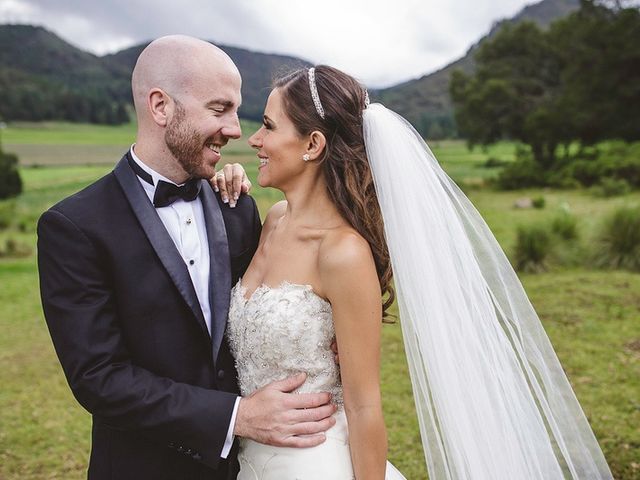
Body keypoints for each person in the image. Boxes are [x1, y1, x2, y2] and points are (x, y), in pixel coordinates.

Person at [226, 65, 614, 479]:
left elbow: (364, 404)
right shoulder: (275, 221)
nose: (253, 139)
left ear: (313, 144)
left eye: (268, 126)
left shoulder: (342, 253)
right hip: (245, 457)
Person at [37, 36, 337, 480]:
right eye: (219, 110)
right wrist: (237, 417)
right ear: (160, 107)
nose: (236, 129)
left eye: (236, 110)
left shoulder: (237, 208)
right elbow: (99, 377)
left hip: (253, 465)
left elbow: (260, 317)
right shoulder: (74, 226)